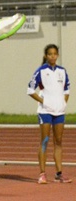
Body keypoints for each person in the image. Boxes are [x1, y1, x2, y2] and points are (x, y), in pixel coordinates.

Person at [27, 44, 71, 184]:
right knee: (45, 141)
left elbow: (67, 90)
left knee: (58, 142)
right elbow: (30, 89)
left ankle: (59, 174)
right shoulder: (41, 71)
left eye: (55, 54)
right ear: (46, 56)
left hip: (59, 112)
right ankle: (42, 173)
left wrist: (63, 103)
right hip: (45, 111)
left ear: (57, 55)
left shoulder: (62, 71)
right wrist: (43, 101)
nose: (52, 56)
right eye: (50, 54)